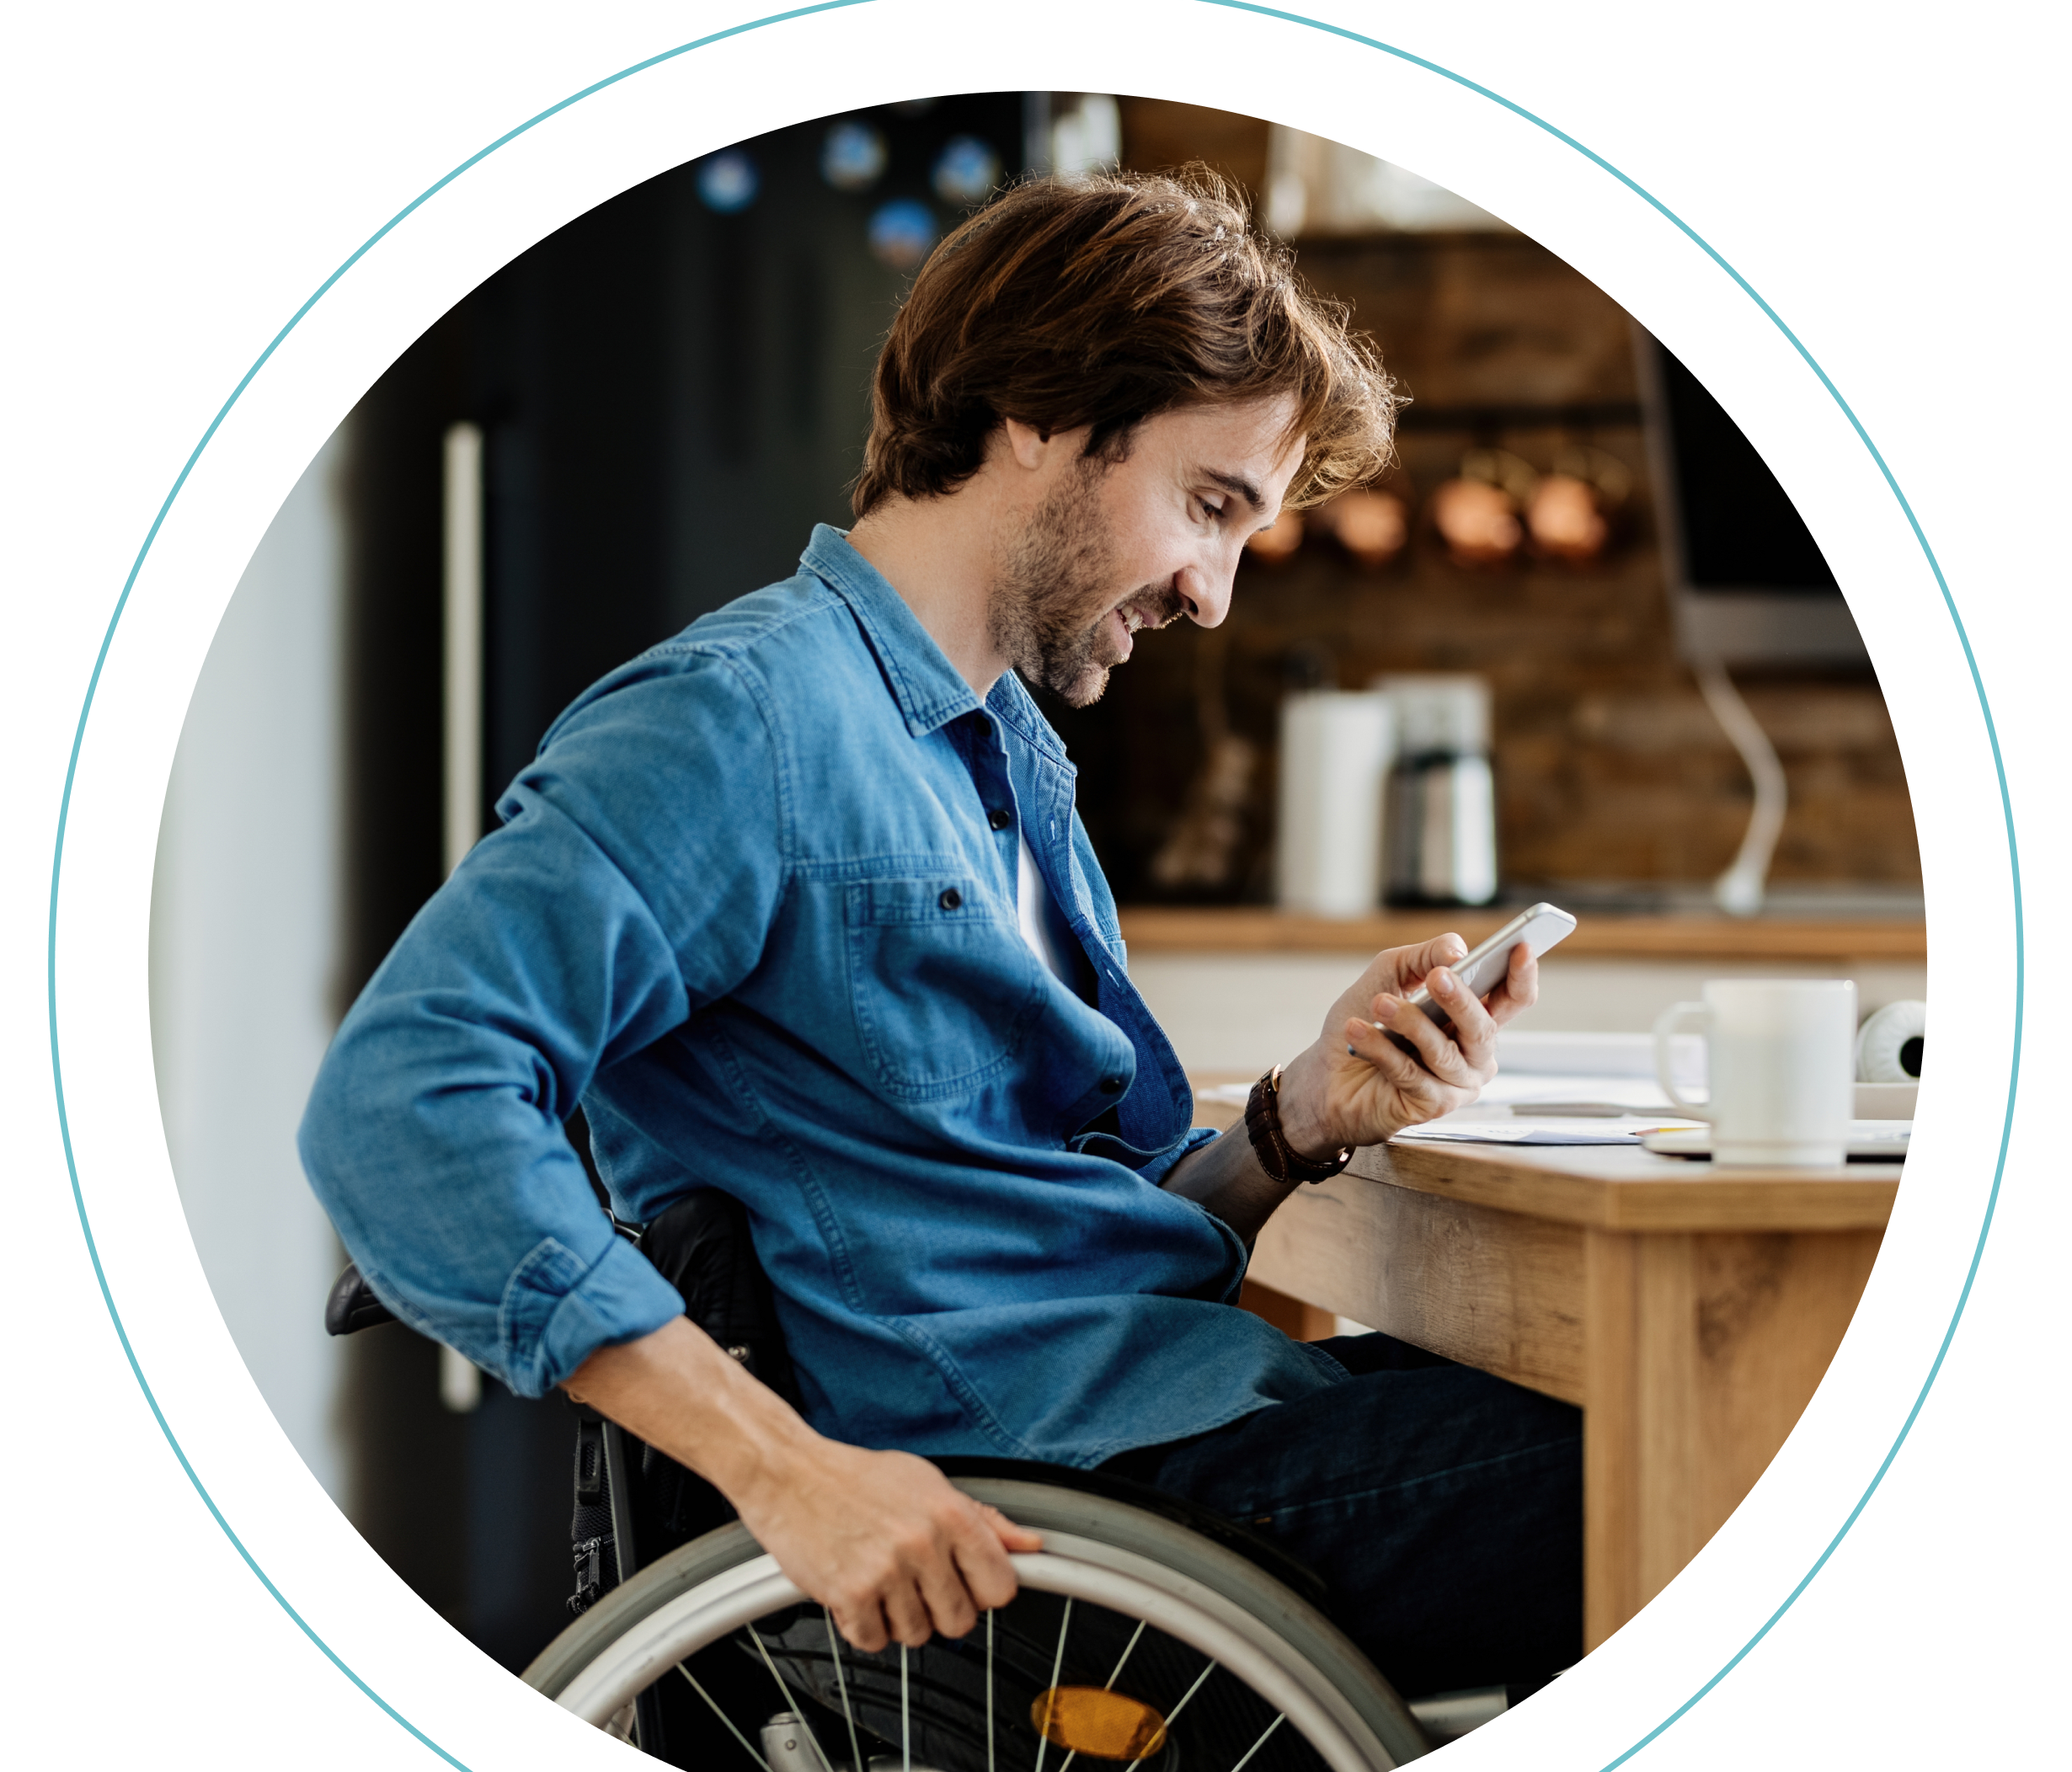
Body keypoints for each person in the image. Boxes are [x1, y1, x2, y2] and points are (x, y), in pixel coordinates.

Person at [299, 166, 1579, 1698]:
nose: (1215, 594)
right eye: (1208, 505)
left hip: (1153, 1422)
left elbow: (1015, 1246)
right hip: (1077, 1506)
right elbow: (401, 1102)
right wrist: (782, 1472)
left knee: (1654, 1405)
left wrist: (1300, 1122)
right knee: (1716, 1455)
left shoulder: (997, 753)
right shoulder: (745, 720)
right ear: (1038, 411)